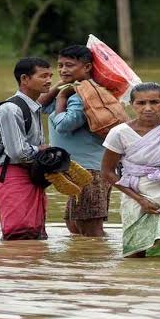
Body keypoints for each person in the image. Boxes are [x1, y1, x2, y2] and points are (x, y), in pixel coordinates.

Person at [101, 82, 160, 259]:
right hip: (137, 193)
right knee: (137, 251)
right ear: (132, 105)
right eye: (141, 103)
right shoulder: (119, 133)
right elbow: (107, 172)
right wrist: (140, 200)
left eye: (154, 102)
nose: (148, 108)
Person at [39, 45, 112, 237]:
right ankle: (82, 264)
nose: (63, 70)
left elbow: (64, 124)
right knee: (74, 225)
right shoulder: (72, 90)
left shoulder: (83, 95)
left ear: (87, 67)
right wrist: (60, 87)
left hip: (91, 170)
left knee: (90, 227)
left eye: (69, 65)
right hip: (77, 169)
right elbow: (38, 104)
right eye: (60, 65)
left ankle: (97, 264)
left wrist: (62, 96)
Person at [0, 57, 52, 240]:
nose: (49, 80)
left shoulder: (34, 106)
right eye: (43, 76)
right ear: (24, 79)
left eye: (50, 76)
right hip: (11, 173)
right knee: (18, 233)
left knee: (35, 233)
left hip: (30, 175)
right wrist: (42, 150)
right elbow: (17, 152)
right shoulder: (10, 109)